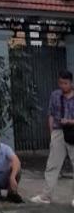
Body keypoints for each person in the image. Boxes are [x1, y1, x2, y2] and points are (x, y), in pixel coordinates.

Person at [31, 70, 74, 205]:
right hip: (58, 131)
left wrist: (69, 121)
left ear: (71, 83)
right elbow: (50, 114)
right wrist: (52, 133)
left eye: (66, 83)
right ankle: (46, 195)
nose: (63, 86)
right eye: (61, 83)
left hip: (72, 131)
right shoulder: (55, 95)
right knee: (52, 165)